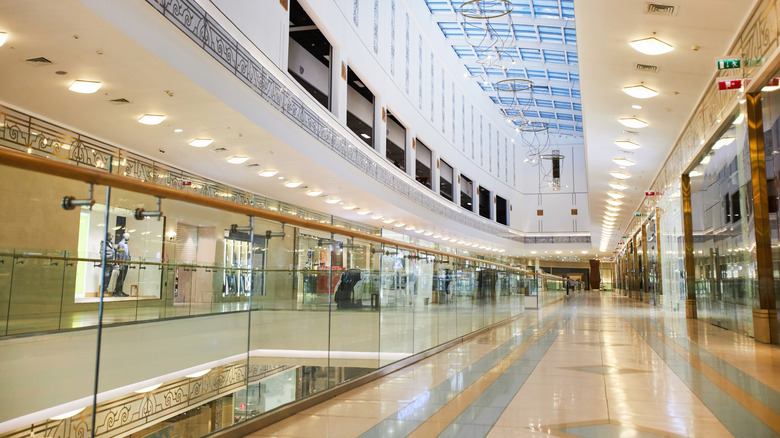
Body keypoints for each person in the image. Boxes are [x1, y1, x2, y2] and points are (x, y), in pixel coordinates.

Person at [113, 232, 131, 297]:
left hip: (125, 263)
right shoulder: (121, 244)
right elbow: (120, 254)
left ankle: (120, 290)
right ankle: (117, 291)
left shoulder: (125, 244)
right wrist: (120, 263)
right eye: (128, 236)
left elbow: (127, 254)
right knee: (120, 277)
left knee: (122, 278)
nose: (129, 237)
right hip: (122, 264)